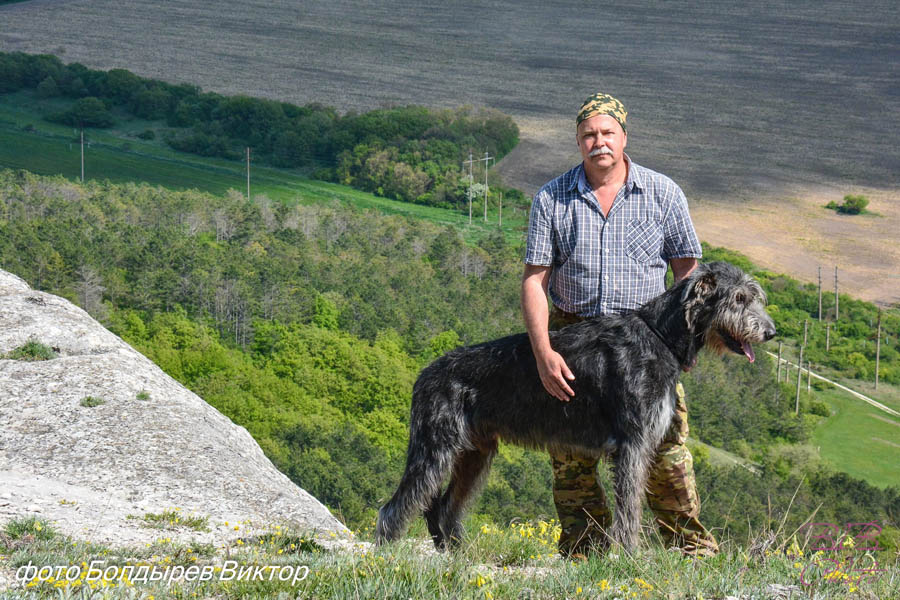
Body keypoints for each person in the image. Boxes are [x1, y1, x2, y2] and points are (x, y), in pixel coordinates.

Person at [521, 92, 719, 558]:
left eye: (607, 132)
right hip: (575, 339)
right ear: (577, 140)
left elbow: (690, 273)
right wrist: (543, 352)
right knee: (571, 454)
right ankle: (584, 552)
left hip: (648, 342)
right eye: (589, 134)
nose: (599, 142)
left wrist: (683, 343)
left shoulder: (663, 192)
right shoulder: (552, 198)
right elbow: (534, 281)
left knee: (665, 451)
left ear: (624, 136)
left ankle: (692, 551)